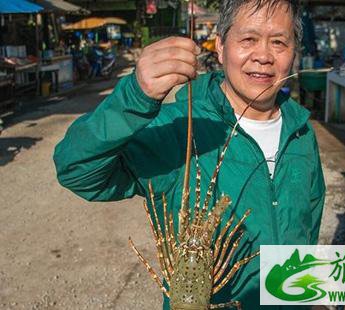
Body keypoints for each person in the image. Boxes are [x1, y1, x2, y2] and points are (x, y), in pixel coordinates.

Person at [53, 0, 325, 309]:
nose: (263, 56)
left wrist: (313, 296)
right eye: (248, 40)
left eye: (279, 42)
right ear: (220, 47)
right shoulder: (176, 127)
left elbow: (308, 230)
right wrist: (133, 96)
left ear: (294, 52)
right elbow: (76, 170)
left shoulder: (302, 132)